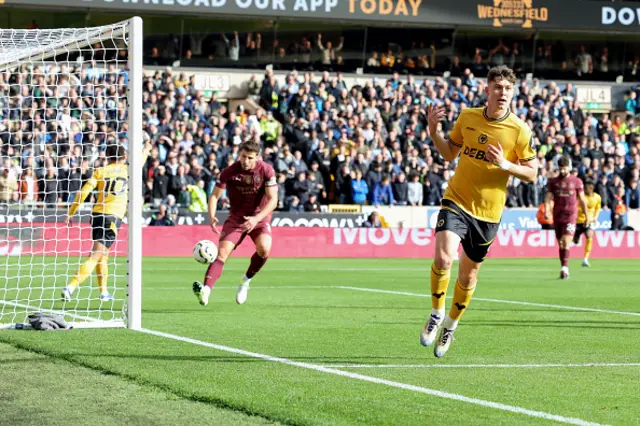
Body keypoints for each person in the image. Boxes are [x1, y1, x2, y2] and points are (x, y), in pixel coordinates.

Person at [421, 65, 538, 358]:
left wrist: (506, 165)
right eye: (497, 88)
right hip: (457, 200)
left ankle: (450, 325)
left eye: (508, 89)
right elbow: (449, 153)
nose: (503, 93)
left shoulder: (520, 130)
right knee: (444, 257)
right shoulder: (468, 117)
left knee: (468, 278)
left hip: (488, 214)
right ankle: (436, 313)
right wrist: (434, 132)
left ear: (514, 92)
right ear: (487, 90)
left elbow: (533, 173)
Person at [62, 141, 152, 302]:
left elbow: (83, 192)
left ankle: (103, 292)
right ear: (124, 157)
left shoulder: (100, 171)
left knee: (103, 254)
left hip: (97, 215)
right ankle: (71, 286)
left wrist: (71, 212)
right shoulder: (128, 170)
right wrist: (146, 148)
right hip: (112, 217)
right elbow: (142, 157)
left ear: (107, 157)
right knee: (96, 254)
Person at [192, 141, 278, 307]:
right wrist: (211, 216)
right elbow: (215, 196)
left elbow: (273, 200)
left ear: (257, 157)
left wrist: (255, 219)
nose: (245, 161)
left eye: (250, 158)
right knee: (222, 253)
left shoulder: (266, 170)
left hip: (258, 218)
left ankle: (245, 281)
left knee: (264, 248)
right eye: (243, 156)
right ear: (239, 154)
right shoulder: (230, 171)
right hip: (236, 219)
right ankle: (206, 291)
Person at [545, 156, 588, 279]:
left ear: (569, 167)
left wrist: (587, 216)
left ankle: (565, 269)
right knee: (561, 243)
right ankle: (563, 266)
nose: (562, 171)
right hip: (557, 215)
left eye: (564, 168)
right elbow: (548, 197)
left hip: (571, 215)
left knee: (565, 241)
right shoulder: (553, 182)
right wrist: (547, 210)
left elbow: (582, 200)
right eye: (560, 168)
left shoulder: (577, 181)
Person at [573, 180, 601, 267]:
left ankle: (585, 259)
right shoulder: (580, 197)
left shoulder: (597, 197)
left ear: (592, 188)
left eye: (588, 188)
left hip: (589, 221)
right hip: (578, 221)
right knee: (575, 240)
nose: (586, 189)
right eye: (585, 188)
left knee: (589, 236)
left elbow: (598, 208)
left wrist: (595, 218)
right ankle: (576, 238)